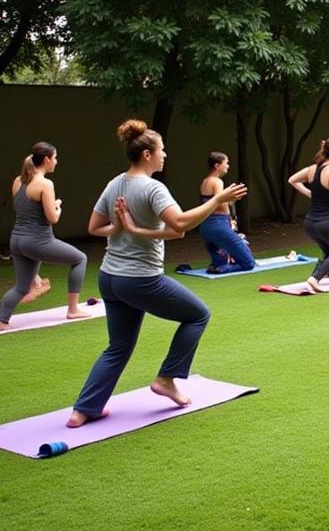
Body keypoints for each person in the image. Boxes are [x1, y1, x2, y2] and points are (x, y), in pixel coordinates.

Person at [66, 120, 246, 428]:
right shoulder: (152, 187)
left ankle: (83, 410)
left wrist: (125, 228)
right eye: (162, 150)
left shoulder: (115, 183)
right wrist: (217, 200)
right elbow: (180, 223)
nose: (166, 154)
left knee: (118, 347)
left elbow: (95, 228)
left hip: (110, 278)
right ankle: (166, 378)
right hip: (140, 279)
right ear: (147, 153)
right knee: (198, 315)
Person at [0, 142, 89, 328]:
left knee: (22, 287)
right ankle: (73, 310)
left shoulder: (18, 180)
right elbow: (52, 218)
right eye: (55, 158)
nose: (56, 162)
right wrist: (57, 206)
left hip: (17, 240)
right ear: (47, 159)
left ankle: (2, 319)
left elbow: (25, 208)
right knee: (80, 259)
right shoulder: (45, 183)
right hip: (37, 241)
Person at [288, 136, 329, 294]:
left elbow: (292, 180)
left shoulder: (312, 169)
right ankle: (314, 279)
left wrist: (312, 194)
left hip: (311, 223)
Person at [197, 152, 256, 274]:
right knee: (248, 263)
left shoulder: (205, 181)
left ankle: (218, 266)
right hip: (218, 226)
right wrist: (232, 198)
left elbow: (211, 203)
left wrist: (230, 199)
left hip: (205, 227)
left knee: (220, 261)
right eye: (226, 163)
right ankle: (222, 269)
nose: (228, 166)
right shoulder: (217, 182)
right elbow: (220, 202)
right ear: (217, 166)